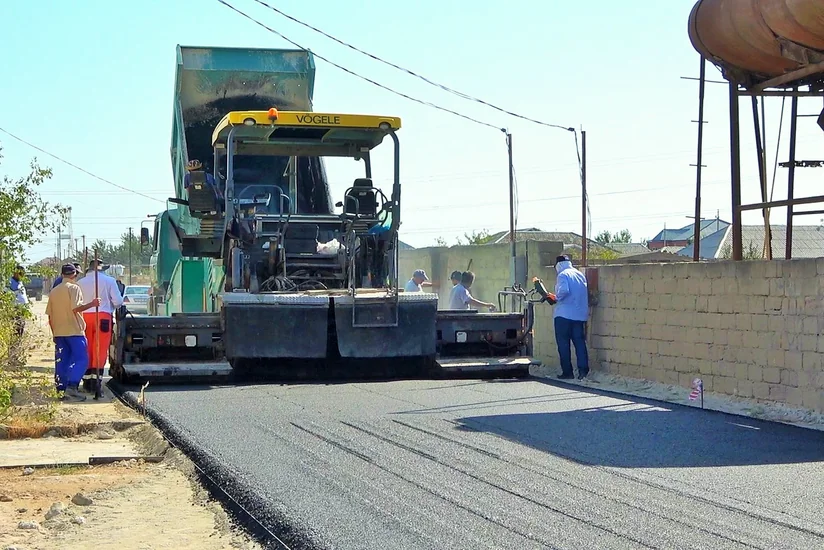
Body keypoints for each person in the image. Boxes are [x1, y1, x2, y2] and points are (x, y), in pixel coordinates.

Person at [46, 264, 101, 401]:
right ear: (74, 274)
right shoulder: (74, 288)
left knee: (61, 362)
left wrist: (54, 333)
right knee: (82, 360)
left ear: (62, 274)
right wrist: (92, 304)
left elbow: (50, 316)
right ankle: (72, 386)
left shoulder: (54, 291)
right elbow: (76, 308)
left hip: (59, 332)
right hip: (74, 330)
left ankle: (61, 391)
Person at [76, 259, 123, 391]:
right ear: (101, 269)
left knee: (87, 348)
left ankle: (86, 381)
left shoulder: (80, 283)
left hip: (84, 317)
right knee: (100, 349)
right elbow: (118, 301)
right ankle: (96, 381)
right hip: (103, 317)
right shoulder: (109, 281)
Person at [552, 255, 590, 380]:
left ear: (558, 265)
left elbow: (564, 291)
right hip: (579, 315)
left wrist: (555, 297)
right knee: (579, 343)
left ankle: (567, 372)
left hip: (563, 315)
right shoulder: (580, 274)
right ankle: (583, 372)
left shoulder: (562, 275)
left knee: (563, 344)